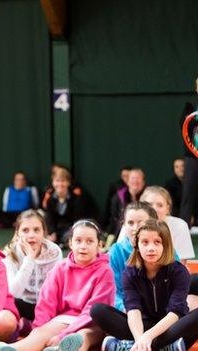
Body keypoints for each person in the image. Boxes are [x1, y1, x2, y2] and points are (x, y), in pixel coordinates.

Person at [0, 220, 115, 351]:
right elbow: (47, 301)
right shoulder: (61, 268)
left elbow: (92, 311)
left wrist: (64, 335)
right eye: (78, 240)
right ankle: (1, 348)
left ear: (99, 245)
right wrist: (38, 328)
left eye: (89, 241)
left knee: (82, 338)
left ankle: (57, 348)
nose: (83, 246)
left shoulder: (105, 271)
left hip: (92, 324)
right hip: (63, 319)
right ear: (70, 243)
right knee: (40, 333)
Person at [91, 219, 198, 351]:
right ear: (137, 246)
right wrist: (140, 339)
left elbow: (175, 312)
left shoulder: (179, 271)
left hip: (172, 326)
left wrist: (148, 337)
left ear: (166, 245)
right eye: (145, 242)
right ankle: (166, 348)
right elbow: (133, 309)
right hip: (143, 324)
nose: (151, 248)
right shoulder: (130, 272)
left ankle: (131, 346)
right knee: (98, 310)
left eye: (157, 242)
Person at [3, 209, 63, 334]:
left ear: (44, 233)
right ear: (17, 233)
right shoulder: (10, 254)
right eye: (25, 230)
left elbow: (57, 289)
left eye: (36, 230)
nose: (31, 235)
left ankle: (29, 327)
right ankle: (24, 326)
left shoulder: (54, 252)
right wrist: (29, 259)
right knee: (5, 303)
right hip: (22, 304)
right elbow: (14, 293)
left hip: (48, 306)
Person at [116, 186, 194, 264]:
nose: (154, 209)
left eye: (160, 205)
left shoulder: (180, 225)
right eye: (149, 204)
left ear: (168, 208)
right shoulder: (131, 224)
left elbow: (181, 264)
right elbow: (118, 251)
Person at [108, 202, 158, 311]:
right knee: (98, 310)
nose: (135, 228)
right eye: (130, 223)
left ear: (153, 224)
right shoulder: (116, 251)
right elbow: (113, 292)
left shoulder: (165, 248)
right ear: (124, 225)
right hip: (127, 310)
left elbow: (175, 287)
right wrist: (128, 310)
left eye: (141, 223)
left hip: (160, 310)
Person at [41, 167, 90, 245]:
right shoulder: (50, 199)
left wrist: (72, 232)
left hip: (70, 229)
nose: (60, 184)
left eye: (63, 181)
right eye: (57, 181)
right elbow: (49, 218)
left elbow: (78, 220)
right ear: (53, 182)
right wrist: (52, 232)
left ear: (68, 183)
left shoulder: (76, 198)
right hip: (55, 230)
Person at [180, 79, 198, 227]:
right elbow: (183, 125)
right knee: (188, 194)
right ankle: (184, 229)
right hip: (193, 156)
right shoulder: (190, 106)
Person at [107, 169, 146, 234]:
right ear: (127, 181)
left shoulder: (149, 196)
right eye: (133, 178)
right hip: (122, 232)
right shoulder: (118, 197)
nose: (135, 181)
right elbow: (114, 219)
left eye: (138, 178)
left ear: (143, 182)